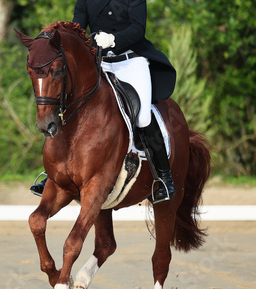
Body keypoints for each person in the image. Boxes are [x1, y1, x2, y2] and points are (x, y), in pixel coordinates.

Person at [30, 0, 177, 203]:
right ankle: (52, 173)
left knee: (142, 116)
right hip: (99, 63)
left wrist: (114, 39)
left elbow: (138, 28)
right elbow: (78, 28)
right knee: (69, 106)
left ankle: (163, 177)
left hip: (130, 62)